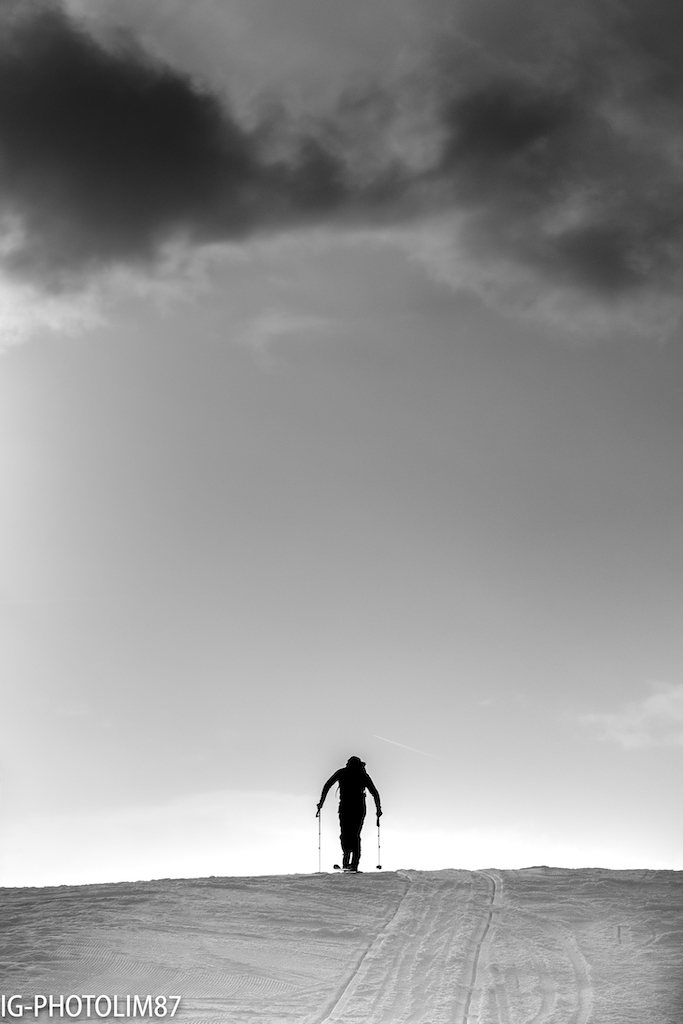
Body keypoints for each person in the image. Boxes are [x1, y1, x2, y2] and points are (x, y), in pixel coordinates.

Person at [316, 756, 382, 871]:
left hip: (346, 808)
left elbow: (327, 785)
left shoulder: (343, 773)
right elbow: (375, 793)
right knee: (354, 835)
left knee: (346, 834)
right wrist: (378, 809)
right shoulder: (362, 775)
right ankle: (353, 864)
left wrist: (321, 803)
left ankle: (347, 862)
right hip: (358, 808)